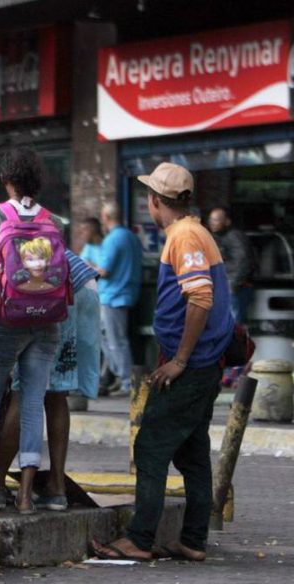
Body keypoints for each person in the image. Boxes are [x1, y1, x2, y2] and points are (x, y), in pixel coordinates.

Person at [92, 162, 233, 562]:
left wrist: (181, 359)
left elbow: (200, 298)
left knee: (151, 445)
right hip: (205, 362)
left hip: (194, 363)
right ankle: (192, 539)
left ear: (155, 201)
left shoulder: (185, 237)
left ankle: (140, 538)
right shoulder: (194, 232)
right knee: (191, 451)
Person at [0, 147, 61, 509]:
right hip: (47, 322)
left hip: (4, 319)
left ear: (5, 179)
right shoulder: (55, 221)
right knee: (33, 403)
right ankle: (24, 496)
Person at [0, 251, 101, 512]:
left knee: (24, 389)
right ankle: (56, 487)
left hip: (48, 292)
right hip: (81, 286)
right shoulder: (25, 229)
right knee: (56, 391)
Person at [95, 202, 143, 397]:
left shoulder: (113, 239)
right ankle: (118, 375)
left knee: (115, 340)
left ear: (105, 217)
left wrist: (86, 268)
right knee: (107, 338)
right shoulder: (131, 236)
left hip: (112, 294)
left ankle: (125, 381)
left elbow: (105, 270)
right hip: (125, 292)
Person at [208, 207, 254, 324]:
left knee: (231, 325)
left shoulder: (234, 236)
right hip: (228, 286)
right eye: (211, 220)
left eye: (216, 220)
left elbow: (242, 261)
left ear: (227, 221)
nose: (212, 223)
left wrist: (231, 284)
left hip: (234, 287)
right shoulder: (220, 237)